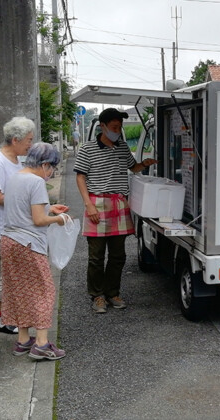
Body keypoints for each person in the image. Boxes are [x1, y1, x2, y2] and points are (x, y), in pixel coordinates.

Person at [74, 108, 157, 314]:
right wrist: (88, 204)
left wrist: (144, 164)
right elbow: (80, 177)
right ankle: (97, 295)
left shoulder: (121, 147)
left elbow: (133, 167)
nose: (118, 131)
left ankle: (112, 293)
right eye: (114, 127)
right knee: (96, 256)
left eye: (120, 127)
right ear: (102, 126)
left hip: (119, 203)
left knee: (118, 255)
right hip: (97, 203)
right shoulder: (88, 149)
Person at [0, 142, 69, 360]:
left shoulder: (15, 177)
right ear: (45, 164)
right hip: (28, 244)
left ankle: (22, 340)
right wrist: (59, 219)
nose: (51, 173)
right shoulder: (37, 182)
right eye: (52, 168)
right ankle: (41, 344)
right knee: (43, 291)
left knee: (19, 291)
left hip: (8, 242)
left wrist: (50, 208)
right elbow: (38, 220)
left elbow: (23, 207)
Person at [0, 116, 34, 334]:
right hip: (8, 228)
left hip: (19, 225)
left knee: (11, 274)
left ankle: (5, 318)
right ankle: (4, 319)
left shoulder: (17, 159)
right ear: (15, 140)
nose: (30, 145)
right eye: (28, 140)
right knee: (10, 275)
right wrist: (24, 200)